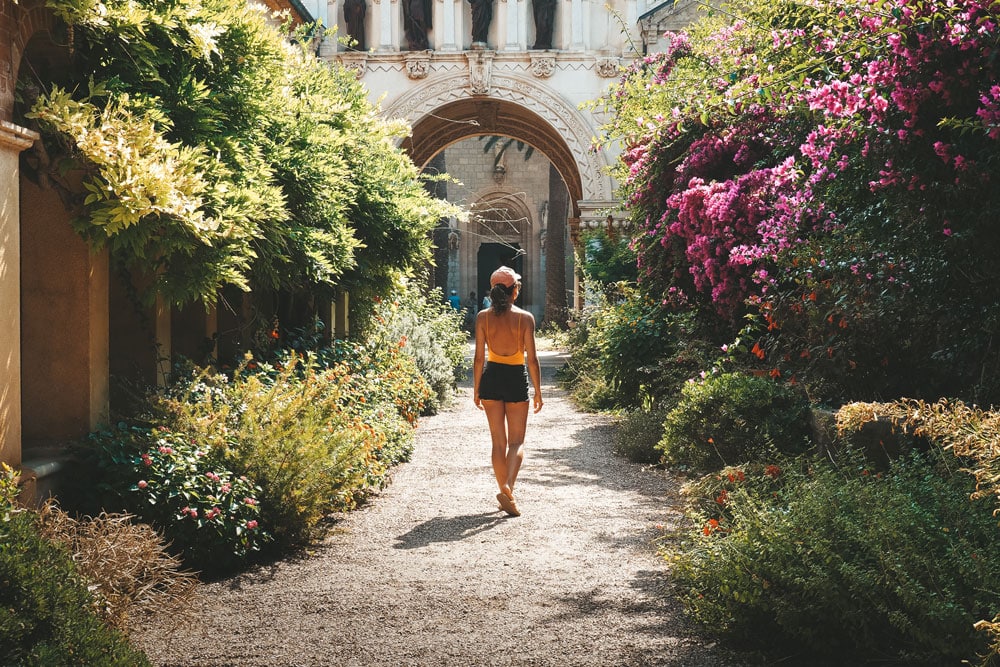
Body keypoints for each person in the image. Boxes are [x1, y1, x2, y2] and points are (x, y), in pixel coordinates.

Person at [473, 266, 543, 517]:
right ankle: (507, 488)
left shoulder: (482, 317)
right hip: (515, 378)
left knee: (497, 442)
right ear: (514, 291)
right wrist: (538, 391)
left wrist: (476, 389)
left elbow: (478, 358)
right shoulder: (525, 318)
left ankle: (505, 492)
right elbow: (532, 360)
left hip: (491, 377)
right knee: (516, 441)